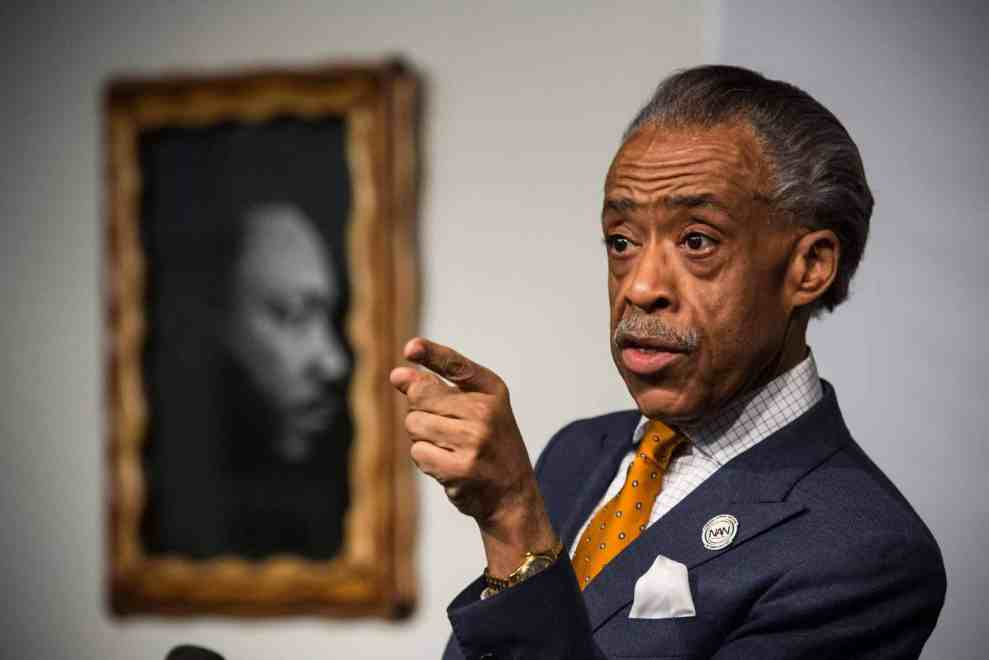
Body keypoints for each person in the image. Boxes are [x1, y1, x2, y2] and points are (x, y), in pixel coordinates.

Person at [391, 65, 946, 658]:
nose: (641, 287)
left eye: (697, 241)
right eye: (623, 242)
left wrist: (513, 521)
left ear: (808, 268)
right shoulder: (578, 454)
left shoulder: (865, 551)